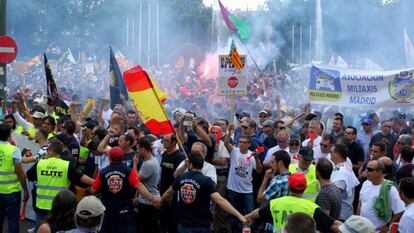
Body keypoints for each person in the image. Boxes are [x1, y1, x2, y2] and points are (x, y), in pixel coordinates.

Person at [161, 152, 248, 233]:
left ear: (190, 165)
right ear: (202, 166)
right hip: (201, 224)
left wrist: (160, 202)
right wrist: (239, 215)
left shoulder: (182, 177)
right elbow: (220, 200)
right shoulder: (206, 181)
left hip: (184, 223)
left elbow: (169, 192)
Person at [26, 139, 93, 230]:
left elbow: (29, 176)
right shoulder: (65, 165)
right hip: (60, 206)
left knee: (41, 228)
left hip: (41, 205)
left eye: (47, 151)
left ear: (51, 151)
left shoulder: (40, 164)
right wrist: (95, 182)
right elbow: (80, 178)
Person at [90, 147, 160, 233]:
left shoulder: (103, 172)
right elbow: (138, 185)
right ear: (122, 157)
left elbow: (93, 190)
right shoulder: (128, 171)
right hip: (124, 210)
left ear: (110, 158)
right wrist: (152, 198)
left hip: (107, 210)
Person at [245, 172, 340, 233]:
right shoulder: (312, 208)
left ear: (289, 186)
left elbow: (259, 212)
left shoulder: (275, 203)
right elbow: (333, 225)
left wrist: (249, 216)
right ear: (305, 188)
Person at [224, 123, 262, 233]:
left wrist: (257, 159)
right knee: (234, 214)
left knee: (251, 215)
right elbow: (226, 143)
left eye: (244, 142)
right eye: (240, 142)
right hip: (233, 189)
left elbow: (259, 171)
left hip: (247, 190)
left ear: (249, 144)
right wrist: (229, 132)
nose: (241, 144)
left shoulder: (252, 155)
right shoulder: (234, 151)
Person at [357, 160, 405, 232]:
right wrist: (357, 220)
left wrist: (387, 226)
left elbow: (400, 210)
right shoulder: (365, 184)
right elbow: (360, 204)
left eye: (370, 170)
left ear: (379, 172)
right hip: (361, 229)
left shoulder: (389, 189)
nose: (366, 172)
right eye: (366, 168)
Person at [0, 124, 29, 233]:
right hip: (11, 191)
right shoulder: (14, 150)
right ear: (9, 135)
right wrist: (26, 190)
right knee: (12, 219)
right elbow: (20, 173)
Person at [134, 138, 161, 233]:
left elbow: (136, 180)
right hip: (147, 200)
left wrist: (134, 164)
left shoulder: (149, 164)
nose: (136, 151)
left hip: (148, 202)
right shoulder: (150, 161)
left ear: (143, 149)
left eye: (138, 149)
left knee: (148, 228)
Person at [159, 134, 185, 233]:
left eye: (166, 140)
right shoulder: (165, 154)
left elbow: (179, 178)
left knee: (172, 222)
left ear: (174, 142)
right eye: (163, 140)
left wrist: (172, 193)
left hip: (173, 194)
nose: (163, 142)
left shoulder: (180, 157)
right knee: (162, 220)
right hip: (162, 191)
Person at [330, 144, 360, 221]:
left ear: (337, 154)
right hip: (344, 212)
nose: (330, 154)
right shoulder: (346, 166)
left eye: (331, 152)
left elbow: (335, 193)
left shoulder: (341, 172)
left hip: (341, 215)